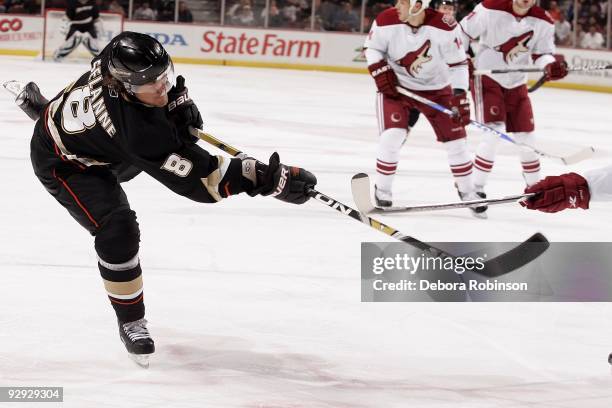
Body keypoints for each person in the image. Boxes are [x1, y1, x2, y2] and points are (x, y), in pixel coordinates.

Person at [24, 32, 317, 366]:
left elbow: (153, 120)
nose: (163, 85)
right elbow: (203, 183)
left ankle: (48, 113)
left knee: (147, 143)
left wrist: (172, 116)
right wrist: (266, 179)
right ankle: (130, 320)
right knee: (118, 230)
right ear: (125, 87)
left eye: (165, 74)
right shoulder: (140, 135)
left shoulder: (117, 55)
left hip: (102, 138)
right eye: (152, 83)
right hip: (66, 163)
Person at [364, 0, 482, 216]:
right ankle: (383, 189)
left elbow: (458, 63)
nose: (397, 6)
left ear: (417, 5)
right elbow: (372, 48)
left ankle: (467, 191)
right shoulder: (385, 20)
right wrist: (379, 71)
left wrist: (459, 94)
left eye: (402, 2)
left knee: (457, 142)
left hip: (438, 90)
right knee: (393, 136)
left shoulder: (445, 26)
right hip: (397, 89)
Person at [459, 0, 569, 215]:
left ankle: (535, 187)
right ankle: (477, 187)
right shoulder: (490, 8)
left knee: (527, 138)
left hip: (517, 82)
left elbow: (541, 54)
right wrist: (464, 57)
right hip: (488, 77)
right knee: (494, 132)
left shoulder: (543, 21)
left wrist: (549, 65)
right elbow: (461, 32)